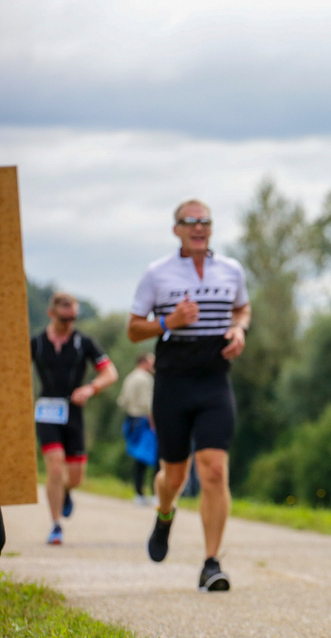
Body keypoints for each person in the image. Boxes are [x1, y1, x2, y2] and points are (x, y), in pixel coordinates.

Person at [127, 199, 251, 592]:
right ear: (176, 229)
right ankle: (165, 512)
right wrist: (168, 322)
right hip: (173, 382)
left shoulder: (230, 269)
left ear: (211, 228)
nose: (199, 227)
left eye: (205, 221)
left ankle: (211, 563)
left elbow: (242, 309)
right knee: (174, 475)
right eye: (190, 221)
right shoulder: (157, 274)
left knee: (214, 470)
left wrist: (239, 330)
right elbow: (133, 329)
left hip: (214, 380)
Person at [30, 291, 118, 545]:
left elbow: (110, 373)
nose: (69, 323)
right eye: (64, 318)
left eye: (73, 318)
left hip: (74, 411)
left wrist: (91, 388)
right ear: (51, 314)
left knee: (75, 477)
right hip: (47, 410)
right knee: (55, 466)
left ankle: (67, 491)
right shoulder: (36, 343)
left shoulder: (84, 342)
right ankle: (56, 525)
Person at [117, 352, 159, 505]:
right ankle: (156, 494)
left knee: (139, 459)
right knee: (154, 457)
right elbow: (148, 404)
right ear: (144, 362)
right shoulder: (145, 379)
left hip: (131, 419)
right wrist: (154, 422)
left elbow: (122, 401)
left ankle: (139, 493)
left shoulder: (130, 376)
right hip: (145, 422)